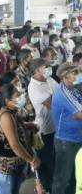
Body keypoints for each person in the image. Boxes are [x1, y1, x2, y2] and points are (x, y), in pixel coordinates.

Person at [0, 84, 41, 194]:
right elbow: (14, 145)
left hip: (15, 165)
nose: (21, 96)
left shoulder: (13, 111)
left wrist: (29, 125)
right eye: (17, 95)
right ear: (8, 100)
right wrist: (31, 160)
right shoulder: (5, 116)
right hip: (6, 169)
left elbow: (17, 126)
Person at [51, 63, 82, 194]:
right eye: (74, 73)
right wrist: (77, 115)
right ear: (65, 76)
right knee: (62, 178)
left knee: (74, 176)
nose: (78, 75)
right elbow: (80, 114)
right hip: (67, 142)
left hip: (76, 137)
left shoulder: (73, 90)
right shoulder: (63, 92)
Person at [27, 58, 57, 193]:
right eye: (46, 67)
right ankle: (45, 189)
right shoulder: (33, 87)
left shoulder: (48, 79)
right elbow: (54, 104)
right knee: (46, 162)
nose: (49, 69)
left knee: (54, 160)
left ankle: (52, 186)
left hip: (56, 126)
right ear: (38, 70)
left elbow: (62, 92)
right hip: (46, 130)